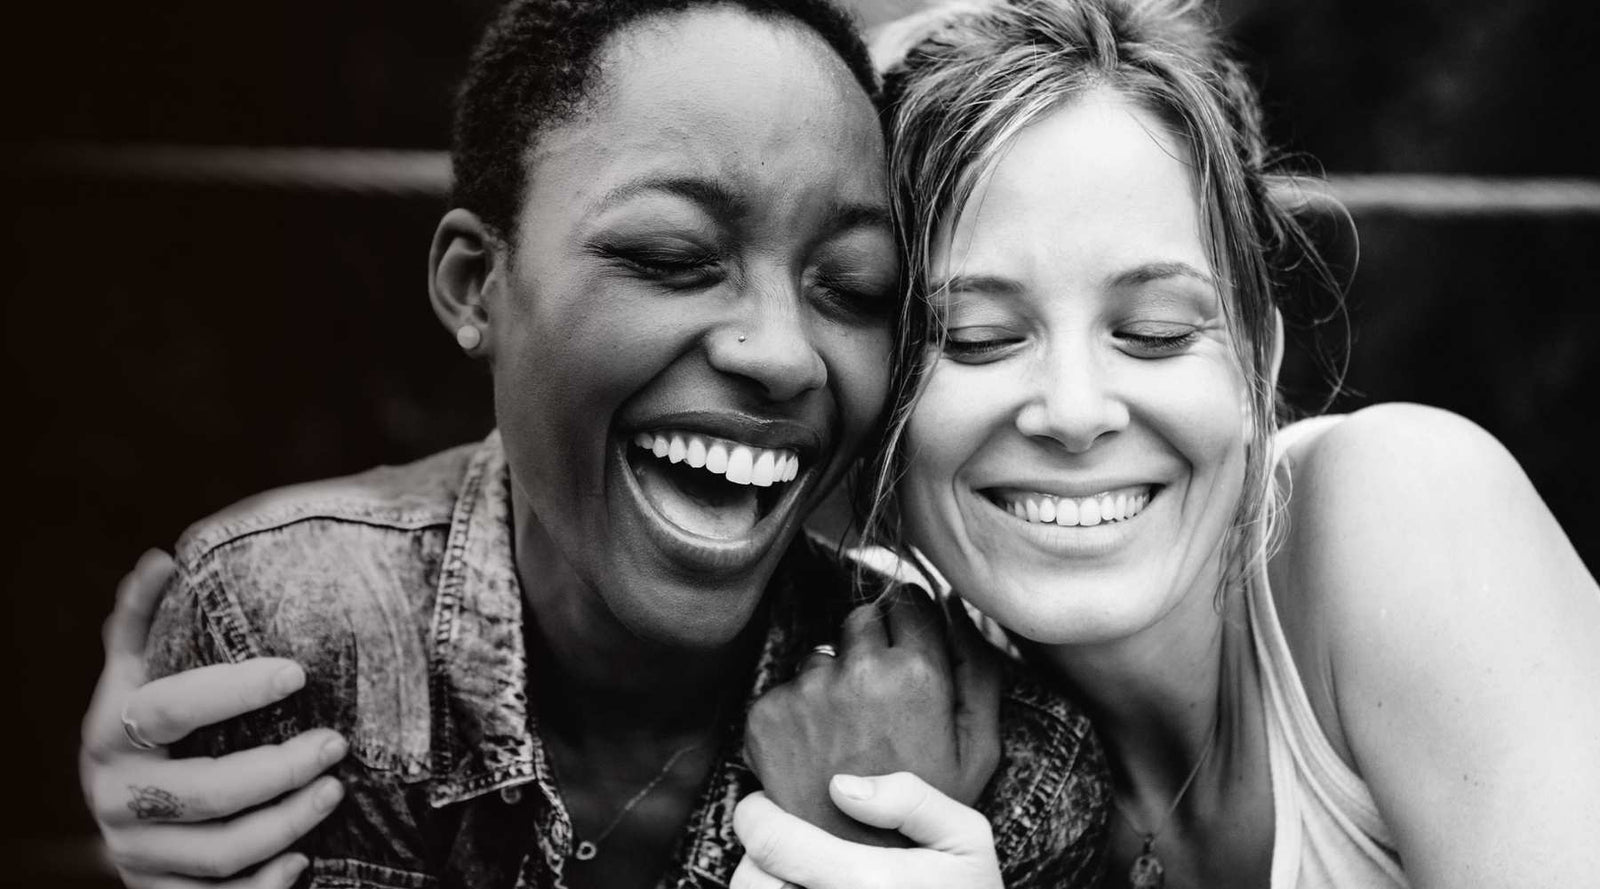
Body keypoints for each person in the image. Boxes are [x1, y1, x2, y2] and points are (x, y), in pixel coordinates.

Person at [75, 1, 1110, 887]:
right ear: (475, 285)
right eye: (672, 256)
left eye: (854, 287)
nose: (783, 353)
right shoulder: (292, 642)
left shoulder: (995, 768)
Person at [728, 0, 1600, 886]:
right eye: (978, 338)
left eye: (1154, 333)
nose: (1074, 410)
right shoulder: (901, 702)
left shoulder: (1408, 506)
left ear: (1258, 358)